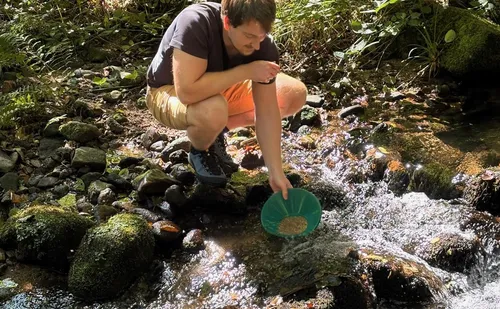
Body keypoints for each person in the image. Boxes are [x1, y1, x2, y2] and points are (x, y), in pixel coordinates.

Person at [146, 0, 307, 200]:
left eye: (262, 35)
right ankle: (201, 149)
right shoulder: (196, 22)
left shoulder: (262, 44)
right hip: (167, 92)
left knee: (294, 93)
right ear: (227, 22)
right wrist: (246, 71)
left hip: (218, 90)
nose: (256, 45)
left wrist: (276, 171)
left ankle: (215, 134)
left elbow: (266, 111)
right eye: (249, 36)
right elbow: (186, 92)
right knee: (214, 110)